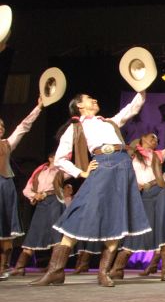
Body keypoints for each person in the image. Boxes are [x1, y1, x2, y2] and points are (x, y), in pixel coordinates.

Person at [30, 91, 150, 287]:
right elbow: (60, 158)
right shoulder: (76, 127)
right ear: (79, 106)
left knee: (116, 217)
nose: (94, 99)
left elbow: (132, 108)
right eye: (88, 98)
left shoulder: (109, 122)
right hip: (102, 165)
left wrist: (141, 89)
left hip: (122, 166)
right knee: (80, 212)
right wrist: (81, 173)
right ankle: (55, 271)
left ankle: (103, 273)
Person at [109, 130, 165, 282]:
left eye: (157, 139)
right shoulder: (132, 155)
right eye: (152, 138)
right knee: (136, 231)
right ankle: (117, 269)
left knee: (163, 230)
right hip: (141, 196)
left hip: (159, 194)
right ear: (142, 138)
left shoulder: (158, 155)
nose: (155, 141)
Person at [0, 97, 45, 281]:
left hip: (5, 186)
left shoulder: (7, 144)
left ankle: (3, 267)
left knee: (6, 229)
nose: (1, 128)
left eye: (2, 125)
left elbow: (24, 126)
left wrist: (39, 107)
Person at [9, 153, 66, 277]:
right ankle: (20, 267)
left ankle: (53, 268)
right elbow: (26, 189)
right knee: (34, 234)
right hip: (41, 204)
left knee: (56, 236)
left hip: (55, 202)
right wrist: (35, 195)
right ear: (50, 158)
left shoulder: (62, 170)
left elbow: (74, 172)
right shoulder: (39, 171)